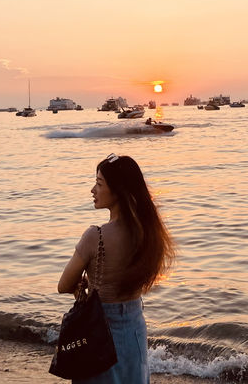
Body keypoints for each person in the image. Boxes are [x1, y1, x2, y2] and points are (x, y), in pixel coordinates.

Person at [58, 153, 175, 383]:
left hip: (100, 330)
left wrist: (81, 285)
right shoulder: (148, 233)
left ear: (118, 191)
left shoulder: (96, 236)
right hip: (134, 327)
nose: (93, 190)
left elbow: (63, 285)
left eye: (99, 184)